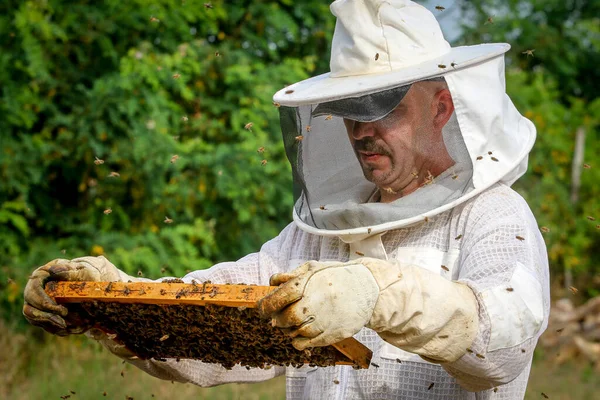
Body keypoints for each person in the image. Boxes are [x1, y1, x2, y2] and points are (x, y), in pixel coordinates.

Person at [23, 0, 550, 398]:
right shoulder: (324, 230)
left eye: (383, 109)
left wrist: (376, 294)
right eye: (348, 111)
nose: (361, 131)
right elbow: (218, 311)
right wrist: (114, 303)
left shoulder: (496, 216)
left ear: (440, 106)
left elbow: (502, 341)